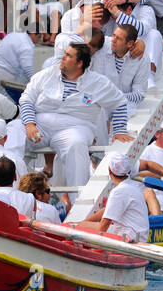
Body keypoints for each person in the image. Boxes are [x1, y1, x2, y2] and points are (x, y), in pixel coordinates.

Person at [19, 42, 127, 190]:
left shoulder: (98, 82)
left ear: (79, 63)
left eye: (68, 56)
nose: (63, 58)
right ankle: (7, 184)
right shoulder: (47, 74)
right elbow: (26, 98)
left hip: (75, 128)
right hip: (39, 126)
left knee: (77, 145)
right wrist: (29, 124)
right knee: (14, 129)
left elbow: (120, 102)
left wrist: (120, 130)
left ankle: (77, 200)